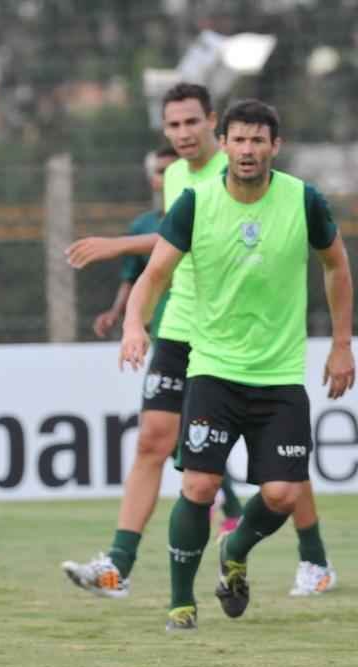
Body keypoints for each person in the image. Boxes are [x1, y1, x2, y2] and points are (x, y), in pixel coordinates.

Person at [61, 84, 336, 599]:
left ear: (216, 126)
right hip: (180, 327)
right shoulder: (176, 175)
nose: (184, 134)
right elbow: (173, 244)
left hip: (239, 338)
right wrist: (136, 321)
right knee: (152, 442)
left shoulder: (238, 168)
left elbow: (174, 235)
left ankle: (313, 556)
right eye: (174, 126)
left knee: (282, 462)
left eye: (193, 123)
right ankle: (118, 564)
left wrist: (116, 245)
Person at [118, 99, 354, 631]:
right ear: (222, 144)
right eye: (238, 139)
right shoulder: (196, 203)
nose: (248, 150)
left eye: (258, 140)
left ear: (276, 146)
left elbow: (336, 265)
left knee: (282, 494)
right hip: (213, 371)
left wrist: (343, 344)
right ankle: (181, 602)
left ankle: (236, 546)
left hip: (279, 375)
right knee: (198, 487)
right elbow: (154, 275)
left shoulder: (304, 200)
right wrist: (136, 325)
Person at [90, 144, 177, 340]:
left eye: (175, 169)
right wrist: (115, 312)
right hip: (162, 327)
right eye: (161, 171)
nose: (169, 176)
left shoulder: (206, 216)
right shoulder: (142, 226)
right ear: (152, 180)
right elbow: (132, 278)